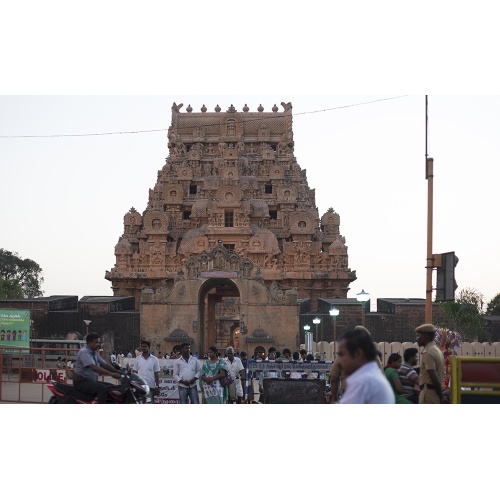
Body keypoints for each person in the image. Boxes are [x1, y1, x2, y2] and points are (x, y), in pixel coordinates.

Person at [337, 329, 395, 404]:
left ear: (358, 353)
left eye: (342, 355)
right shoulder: (372, 377)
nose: (338, 361)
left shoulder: (363, 382)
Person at [73, 332, 122, 404]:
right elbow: (94, 367)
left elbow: (104, 364)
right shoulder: (84, 352)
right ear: (89, 342)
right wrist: (112, 374)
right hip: (82, 382)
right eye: (96, 342)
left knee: (111, 387)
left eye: (99, 342)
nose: (98, 344)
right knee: (102, 389)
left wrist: (118, 371)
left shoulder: (94, 353)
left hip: (90, 381)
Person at [416, 323, 444, 404]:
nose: (417, 339)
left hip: (428, 395)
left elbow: (433, 376)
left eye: (419, 336)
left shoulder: (428, 352)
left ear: (425, 337)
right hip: (434, 394)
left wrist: (441, 397)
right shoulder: (436, 350)